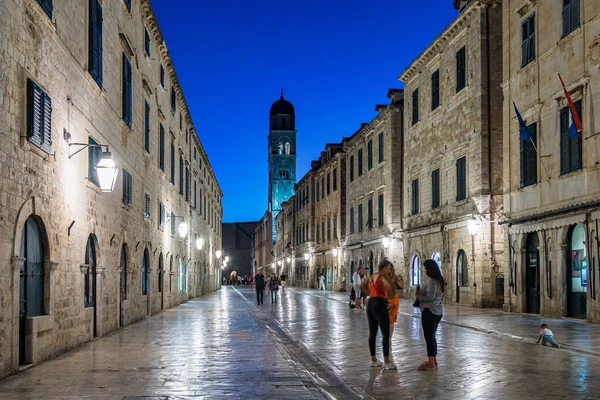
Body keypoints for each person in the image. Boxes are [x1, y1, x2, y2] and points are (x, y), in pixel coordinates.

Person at [360, 259, 396, 370]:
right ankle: (386, 361)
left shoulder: (371, 276)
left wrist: (370, 294)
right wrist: (390, 294)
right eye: (388, 268)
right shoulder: (382, 277)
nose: (389, 271)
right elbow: (389, 287)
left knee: (373, 332)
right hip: (380, 304)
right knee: (385, 333)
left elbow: (361, 286)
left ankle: (374, 360)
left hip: (371, 303)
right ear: (384, 268)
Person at [416, 259, 446, 371]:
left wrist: (419, 297)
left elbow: (430, 297)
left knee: (429, 337)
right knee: (431, 336)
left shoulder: (433, 281)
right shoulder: (439, 280)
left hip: (430, 311)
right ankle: (433, 360)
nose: (424, 270)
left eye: (425, 268)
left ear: (429, 269)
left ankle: (431, 364)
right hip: (436, 311)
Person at [386, 262, 404, 360]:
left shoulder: (394, 277)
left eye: (389, 268)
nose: (388, 270)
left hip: (393, 301)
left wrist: (398, 281)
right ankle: (386, 336)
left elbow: (402, 286)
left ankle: (389, 338)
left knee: (391, 320)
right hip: (384, 300)